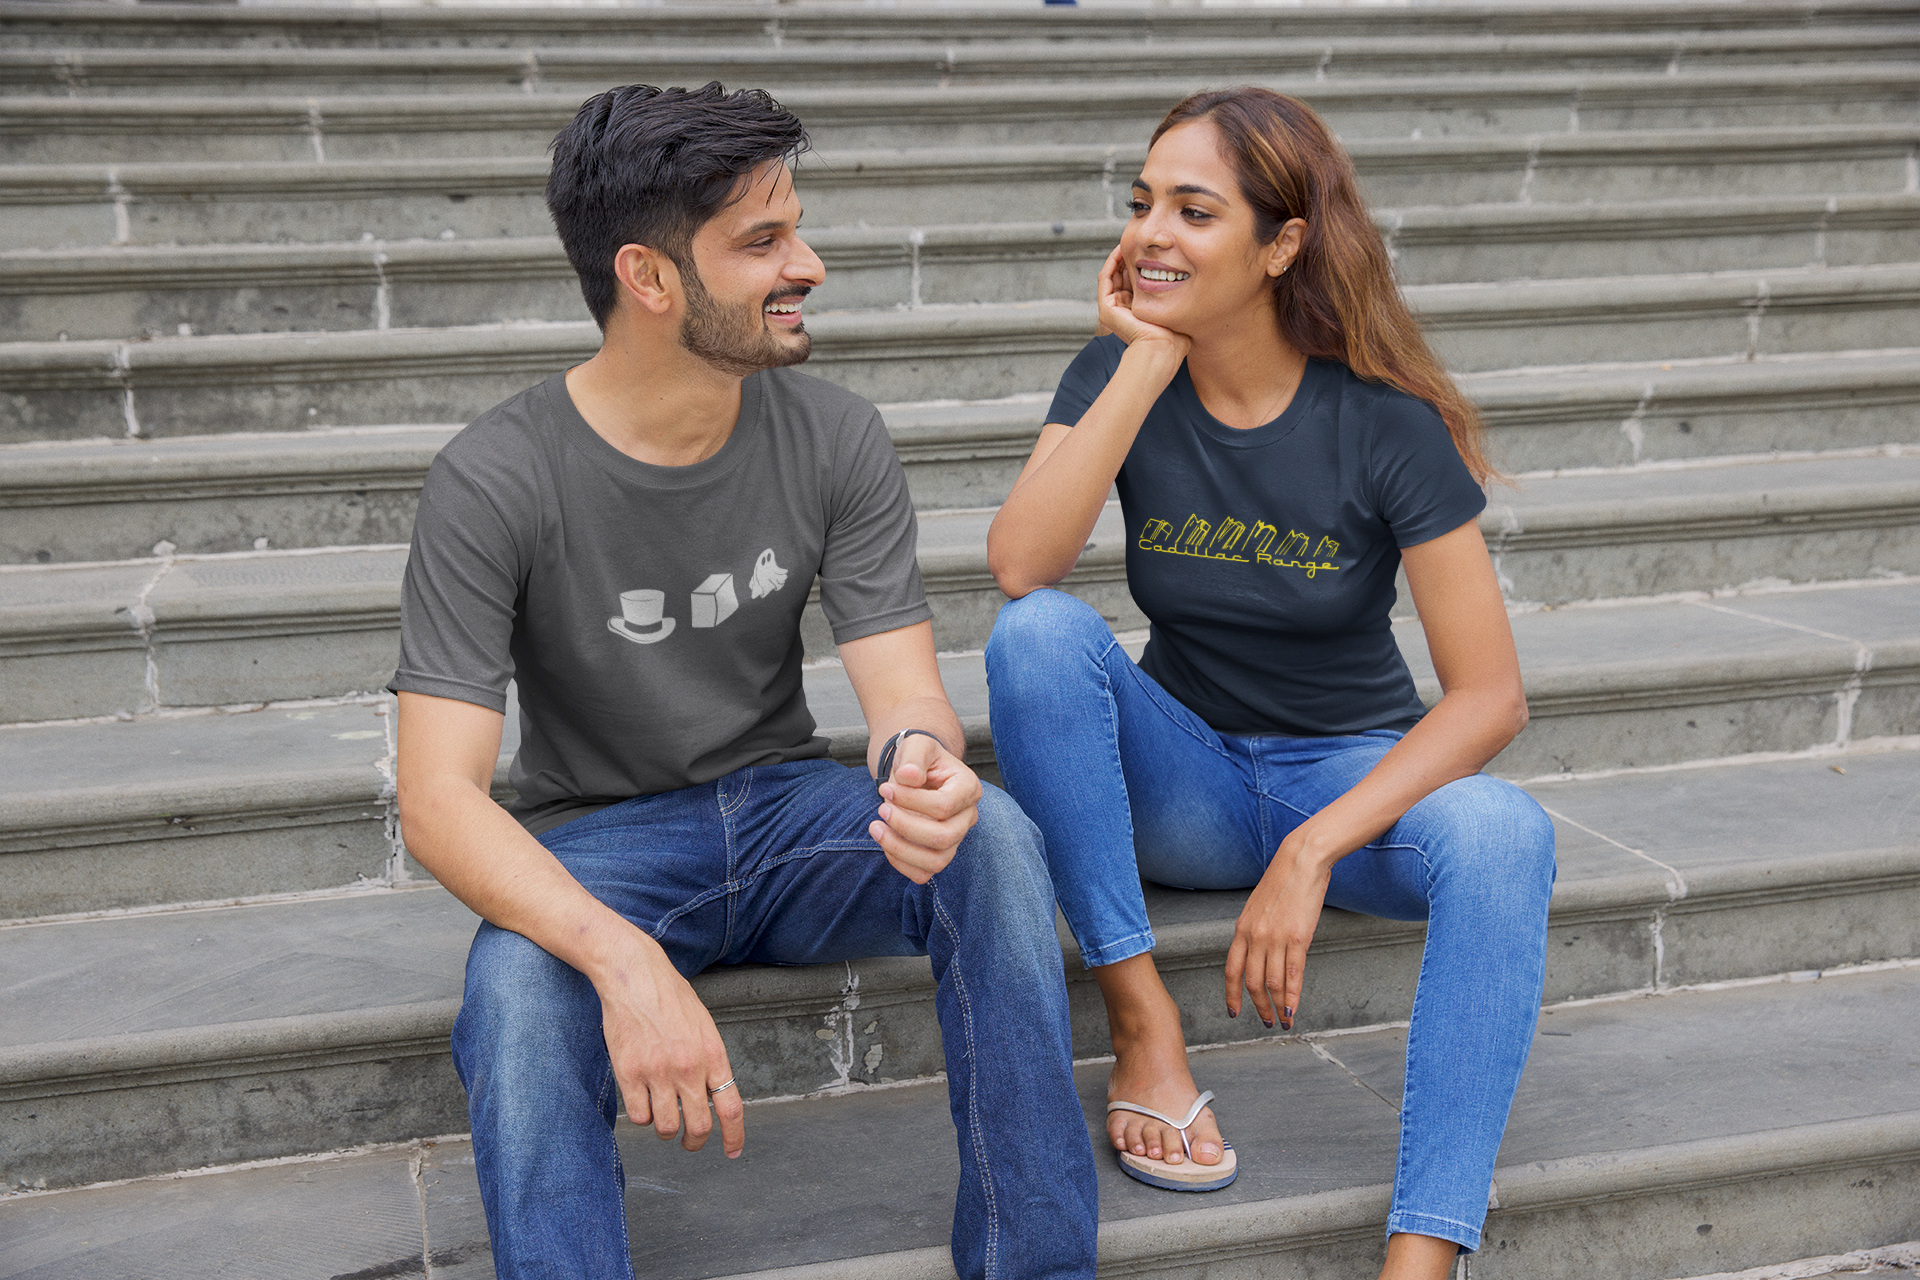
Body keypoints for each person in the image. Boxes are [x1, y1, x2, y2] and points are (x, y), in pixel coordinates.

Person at [391, 82, 1097, 1280]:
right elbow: (437, 799)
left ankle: (1034, 1264)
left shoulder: (835, 434)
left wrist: (920, 763)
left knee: (997, 839)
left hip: (786, 815)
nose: (807, 265)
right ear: (649, 277)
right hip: (604, 839)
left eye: (796, 231)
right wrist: (622, 959)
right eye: (762, 241)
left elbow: (904, 694)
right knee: (516, 987)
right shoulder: (495, 478)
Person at [983, 87, 1555, 1280]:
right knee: (1037, 636)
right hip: (1181, 783)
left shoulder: (1384, 420)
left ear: (1282, 243)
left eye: (1195, 212)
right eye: (1143, 203)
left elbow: (1490, 695)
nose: (1152, 234)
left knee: (1506, 834)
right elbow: (1022, 566)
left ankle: (1423, 1254)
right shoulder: (1117, 373)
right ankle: (1143, 1022)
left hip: (1344, 780)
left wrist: (1313, 847)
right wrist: (1143, 362)